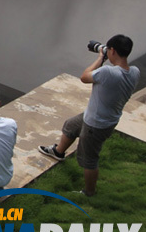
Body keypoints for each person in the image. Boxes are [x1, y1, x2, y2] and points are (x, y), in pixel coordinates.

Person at [38, 34, 140, 196]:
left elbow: (84, 77)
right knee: (70, 125)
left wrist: (100, 58)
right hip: (102, 116)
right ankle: (58, 152)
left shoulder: (108, 72)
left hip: (96, 124)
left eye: (108, 49)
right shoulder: (134, 72)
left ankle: (89, 192)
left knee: (89, 159)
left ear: (112, 51)